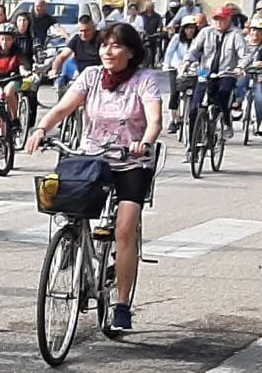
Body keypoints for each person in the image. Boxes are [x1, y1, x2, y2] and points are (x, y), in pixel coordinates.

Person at [26, 22, 161, 332]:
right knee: (67, 203)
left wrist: (145, 141)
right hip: (92, 158)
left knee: (125, 229)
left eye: (115, 46)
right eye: (104, 45)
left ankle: (122, 304)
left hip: (131, 162)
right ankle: (75, 244)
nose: (107, 51)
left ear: (130, 52)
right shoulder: (91, 76)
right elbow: (63, 108)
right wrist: (41, 128)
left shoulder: (144, 80)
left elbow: (154, 120)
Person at [183, 4, 244, 147]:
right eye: (216, 19)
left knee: (222, 95)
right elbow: (194, 50)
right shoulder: (206, 32)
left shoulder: (236, 34)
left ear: (229, 19)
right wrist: (187, 61)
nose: (218, 22)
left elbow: (244, 54)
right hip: (205, 72)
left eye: (222, 19)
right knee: (195, 108)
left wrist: (240, 67)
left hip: (226, 72)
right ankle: (192, 145)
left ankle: (226, 120)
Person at [0, 21, 34, 126]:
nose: (4, 42)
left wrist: (24, 71)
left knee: (8, 92)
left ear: (13, 40)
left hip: (13, 79)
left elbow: (22, 64)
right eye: (2, 39)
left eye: (8, 39)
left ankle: (15, 118)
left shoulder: (17, 51)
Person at [162, 17, 197, 134]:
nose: (190, 31)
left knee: (195, 92)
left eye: (192, 28)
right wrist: (167, 65)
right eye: (187, 28)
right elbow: (169, 53)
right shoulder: (177, 38)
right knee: (174, 93)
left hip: (193, 69)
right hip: (176, 68)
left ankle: (192, 116)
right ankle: (172, 120)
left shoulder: (197, 40)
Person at [48, 13, 103, 86]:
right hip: (81, 75)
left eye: (86, 31)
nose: (83, 34)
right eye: (81, 31)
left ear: (94, 28)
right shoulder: (76, 39)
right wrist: (54, 69)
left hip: (99, 74)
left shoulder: (102, 38)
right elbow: (62, 56)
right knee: (62, 81)